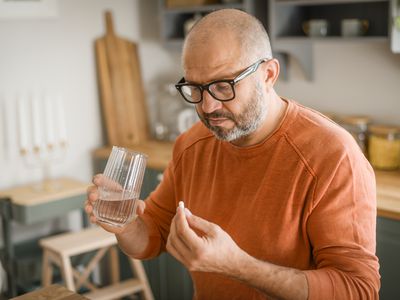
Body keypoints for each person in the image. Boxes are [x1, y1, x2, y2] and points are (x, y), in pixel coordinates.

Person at [86, 9, 380, 300]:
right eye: (196, 88)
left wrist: (237, 266)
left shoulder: (333, 155)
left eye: (223, 86)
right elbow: (152, 236)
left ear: (268, 75)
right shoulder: (192, 145)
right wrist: (126, 227)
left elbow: (358, 290)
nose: (208, 106)